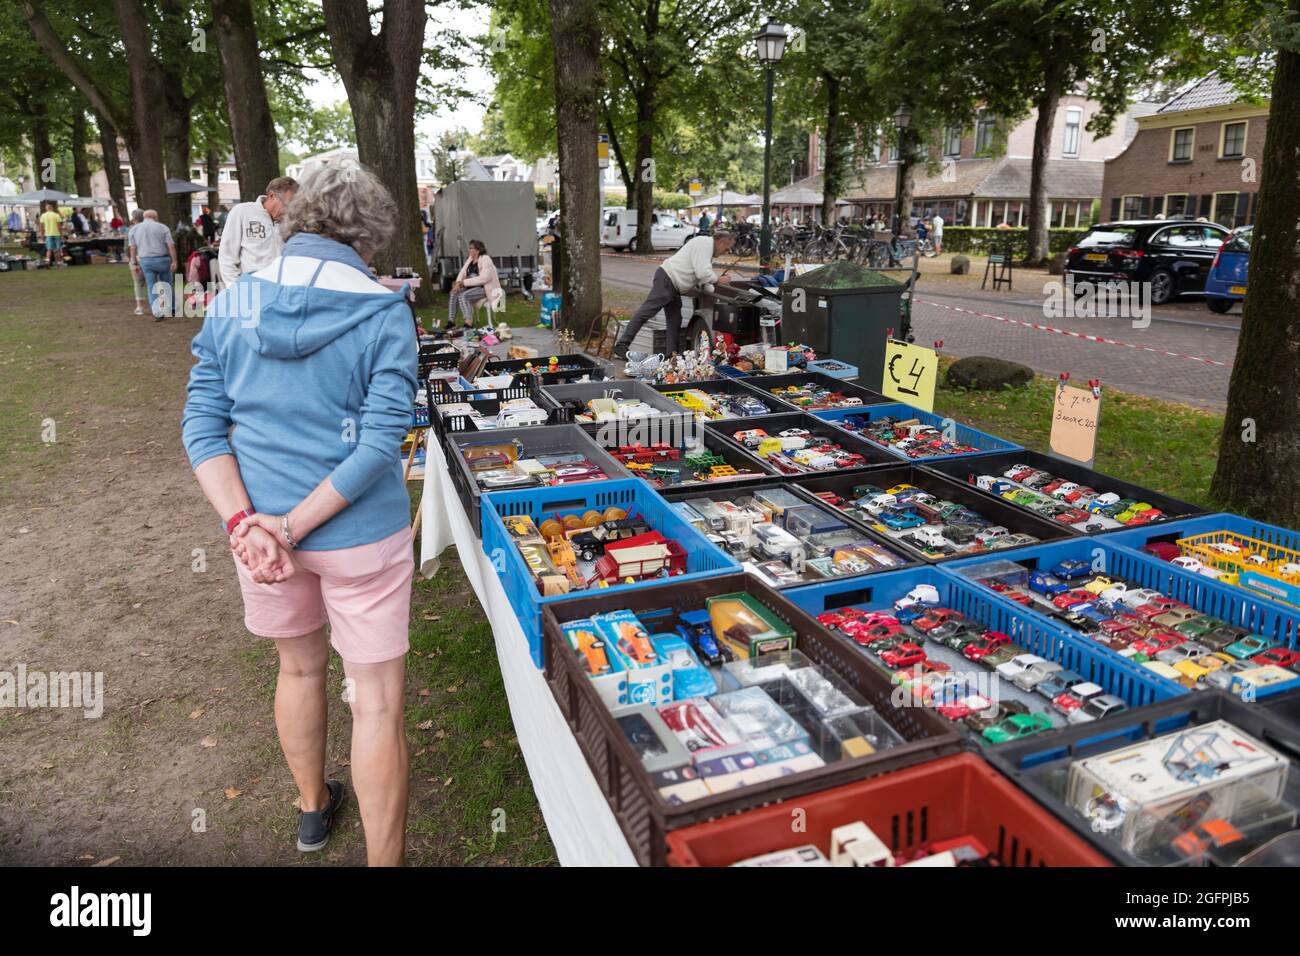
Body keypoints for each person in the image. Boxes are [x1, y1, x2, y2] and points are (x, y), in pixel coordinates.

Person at [182, 162, 416, 866]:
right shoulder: (381, 309)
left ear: (293, 217)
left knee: (299, 670)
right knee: (374, 702)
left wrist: (246, 524)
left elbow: (202, 425)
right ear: (369, 237)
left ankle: (312, 808)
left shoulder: (235, 301)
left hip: (260, 534)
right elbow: (379, 444)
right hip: (350, 535)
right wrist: (277, 528)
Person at [613, 230, 734, 359]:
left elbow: (702, 275)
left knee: (674, 319)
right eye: (726, 249)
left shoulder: (705, 247)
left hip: (671, 282)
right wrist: (717, 280)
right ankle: (621, 346)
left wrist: (711, 284)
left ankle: (672, 354)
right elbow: (703, 273)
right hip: (668, 280)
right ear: (720, 242)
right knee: (645, 313)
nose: (725, 253)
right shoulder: (704, 245)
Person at [217, 176, 298, 287]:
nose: (289, 210)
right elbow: (227, 257)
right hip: (252, 289)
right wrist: (236, 289)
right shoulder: (242, 212)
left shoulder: (291, 221)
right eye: (287, 205)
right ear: (271, 195)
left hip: (282, 291)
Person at [447, 239, 500, 332]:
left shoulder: (486, 259)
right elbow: (462, 273)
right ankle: (451, 322)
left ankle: (468, 323)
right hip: (472, 287)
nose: (469, 250)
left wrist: (463, 283)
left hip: (485, 288)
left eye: (471, 248)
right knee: (454, 293)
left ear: (478, 250)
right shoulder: (470, 259)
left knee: (463, 295)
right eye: (469, 248)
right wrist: (457, 284)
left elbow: (484, 278)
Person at [133, 210, 177, 320]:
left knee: (151, 286)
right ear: (155, 217)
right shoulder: (163, 227)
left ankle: (157, 312)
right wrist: (174, 260)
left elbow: (132, 248)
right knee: (167, 284)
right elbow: (171, 246)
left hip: (146, 260)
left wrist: (134, 262)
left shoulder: (134, 229)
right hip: (162, 259)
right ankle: (171, 308)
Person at [126, 209, 149, 315]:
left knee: (138, 283)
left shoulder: (131, 230)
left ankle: (139, 306)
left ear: (134, 219)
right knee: (152, 282)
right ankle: (157, 304)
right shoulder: (150, 228)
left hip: (137, 258)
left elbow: (129, 247)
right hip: (149, 257)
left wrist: (132, 260)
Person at [38, 202, 64, 267]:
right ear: (52, 208)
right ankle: (58, 263)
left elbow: (41, 227)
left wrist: (42, 235)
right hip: (56, 234)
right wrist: (61, 235)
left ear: (46, 209)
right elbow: (59, 227)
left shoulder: (43, 215)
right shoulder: (56, 215)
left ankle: (47, 261)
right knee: (57, 249)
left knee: (49, 249)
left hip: (48, 234)